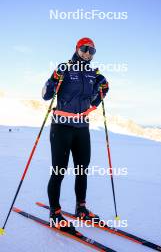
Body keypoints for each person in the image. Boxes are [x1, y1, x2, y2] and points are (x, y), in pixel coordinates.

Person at [42, 37, 109, 231]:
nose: (88, 53)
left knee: (82, 169)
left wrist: (97, 100)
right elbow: (46, 95)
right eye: (84, 49)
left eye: (92, 51)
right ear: (77, 48)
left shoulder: (93, 74)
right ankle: (55, 213)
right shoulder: (65, 68)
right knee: (59, 170)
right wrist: (55, 77)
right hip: (61, 128)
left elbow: (103, 91)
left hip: (82, 129)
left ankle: (81, 208)